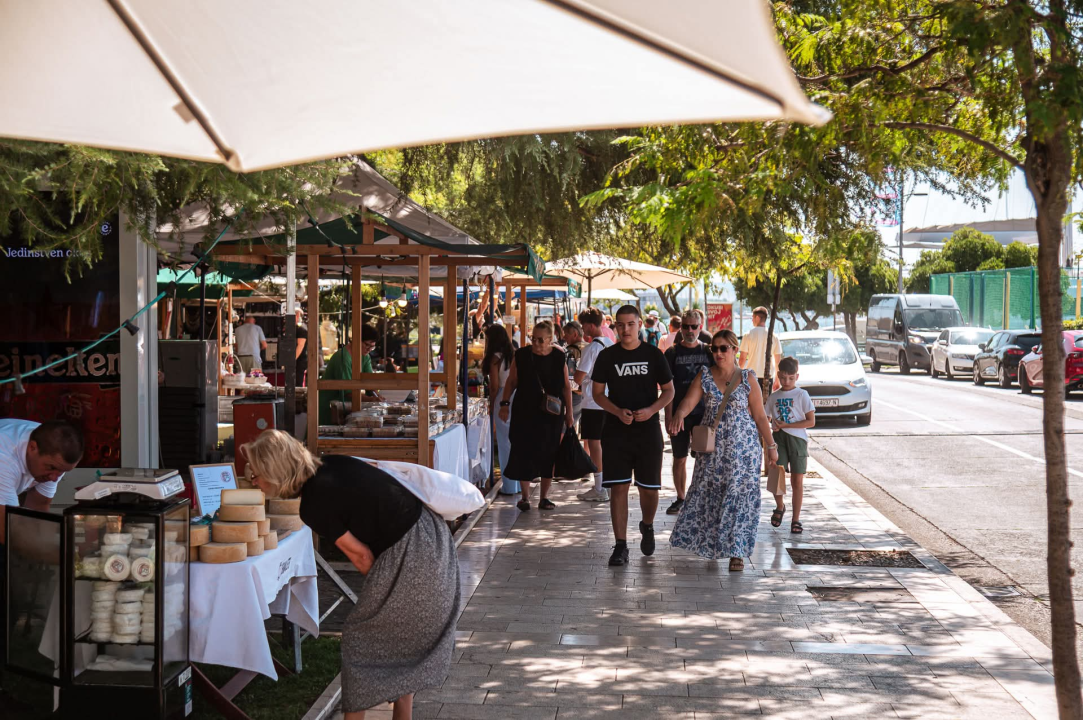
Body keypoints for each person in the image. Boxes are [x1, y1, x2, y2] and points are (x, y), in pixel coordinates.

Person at [243, 431, 458, 720]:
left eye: (255, 475)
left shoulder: (313, 504)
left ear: (274, 472)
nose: (253, 482)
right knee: (402, 640)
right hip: (433, 537)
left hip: (413, 556)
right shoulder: (332, 464)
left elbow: (362, 556)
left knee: (359, 644)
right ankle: (402, 714)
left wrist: (381, 595)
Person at [667, 330, 777, 571]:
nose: (717, 353)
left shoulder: (748, 378)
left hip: (744, 452)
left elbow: (759, 416)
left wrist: (771, 446)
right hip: (712, 451)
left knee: (739, 499)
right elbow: (689, 401)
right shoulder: (704, 376)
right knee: (710, 495)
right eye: (714, 349)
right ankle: (714, 545)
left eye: (723, 348)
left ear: (735, 350)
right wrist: (679, 414)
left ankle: (737, 552)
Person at [590, 305, 674, 566]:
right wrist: (616, 411)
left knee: (649, 490)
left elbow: (669, 391)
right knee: (619, 488)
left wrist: (651, 410)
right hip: (616, 432)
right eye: (620, 324)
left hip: (648, 432)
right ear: (614, 326)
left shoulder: (653, 355)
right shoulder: (607, 356)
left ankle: (647, 525)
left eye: (630, 324)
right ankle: (620, 545)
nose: (625, 329)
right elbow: (597, 393)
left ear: (639, 325)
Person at [0, 420, 84, 657]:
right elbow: (8, 531)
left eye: (63, 472)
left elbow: (37, 509)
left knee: (9, 597)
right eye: (51, 468)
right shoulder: (3, 457)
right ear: (33, 448)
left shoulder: (51, 449)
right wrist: (67, 556)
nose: (55, 477)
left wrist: (53, 546)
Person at [499, 321, 575, 512]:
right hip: (524, 411)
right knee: (523, 450)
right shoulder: (522, 355)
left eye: (541, 340)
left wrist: (570, 414)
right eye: (533, 339)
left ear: (551, 340)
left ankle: (544, 497)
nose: (536, 343)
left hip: (551, 413)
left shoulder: (559, 356)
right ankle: (525, 497)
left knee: (549, 452)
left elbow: (566, 386)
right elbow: (511, 381)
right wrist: (504, 404)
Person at [663, 310, 713, 515]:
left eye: (694, 326)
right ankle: (681, 498)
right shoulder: (672, 353)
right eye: (686, 326)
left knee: (704, 458)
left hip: (704, 414)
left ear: (700, 327)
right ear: (680, 327)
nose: (690, 330)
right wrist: (667, 417)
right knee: (679, 457)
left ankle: (701, 498)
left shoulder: (709, 352)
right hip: (678, 415)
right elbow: (667, 388)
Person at [767, 356, 815, 535]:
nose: (786, 381)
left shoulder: (802, 395)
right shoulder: (774, 397)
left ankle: (796, 519)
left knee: (797, 480)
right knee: (776, 473)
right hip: (778, 439)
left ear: (797, 376)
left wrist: (787, 425)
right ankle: (780, 506)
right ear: (778, 375)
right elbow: (766, 418)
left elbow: (811, 421)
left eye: (791, 378)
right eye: (783, 377)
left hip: (798, 440)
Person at [574, 308, 613, 503]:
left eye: (583, 325)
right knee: (604, 444)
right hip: (608, 400)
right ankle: (606, 483)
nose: (582, 329)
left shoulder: (591, 348)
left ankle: (599, 487)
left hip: (592, 401)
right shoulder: (611, 344)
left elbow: (579, 377)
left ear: (590, 325)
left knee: (595, 444)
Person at [319, 323, 381, 425]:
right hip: (328, 407)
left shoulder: (365, 356)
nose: (369, 349)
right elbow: (348, 392)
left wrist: (377, 395)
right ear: (356, 340)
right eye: (367, 345)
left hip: (343, 407)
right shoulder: (343, 358)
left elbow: (370, 381)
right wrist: (372, 399)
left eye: (372, 347)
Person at [482, 324, 517, 494]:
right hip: (516, 396)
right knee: (515, 442)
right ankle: (516, 485)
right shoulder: (514, 354)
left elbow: (494, 386)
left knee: (504, 443)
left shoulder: (495, 358)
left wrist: (492, 404)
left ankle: (509, 486)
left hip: (503, 397)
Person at [739, 306, 782, 393]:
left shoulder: (748, 335)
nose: (752, 320)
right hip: (768, 376)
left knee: (751, 404)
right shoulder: (773, 336)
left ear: (757, 318)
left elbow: (742, 358)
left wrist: (738, 376)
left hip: (751, 376)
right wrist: (778, 379)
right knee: (765, 404)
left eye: (753, 318)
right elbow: (777, 360)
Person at [562, 321, 586, 430]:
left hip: (574, 394)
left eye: (566, 334)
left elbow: (569, 378)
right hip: (588, 393)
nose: (564, 337)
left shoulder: (571, 351)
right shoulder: (589, 347)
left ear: (575, 334)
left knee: (565, 427)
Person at [294, 308, 309, 386]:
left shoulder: (301, 328)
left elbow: (300, 345)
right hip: (298, 360)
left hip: (300, 361)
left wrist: (293, 359)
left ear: (297, 315)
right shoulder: (298, 328)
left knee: (298, 383)